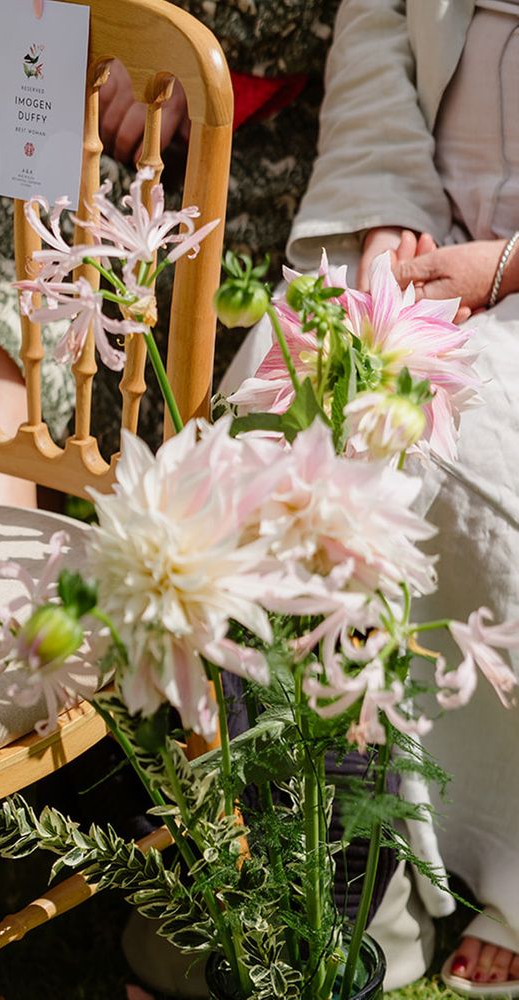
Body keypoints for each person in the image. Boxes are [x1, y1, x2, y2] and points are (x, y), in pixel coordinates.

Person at [225, 0, 519, 992]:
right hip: (425, 233)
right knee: (273, 416)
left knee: (457, 459)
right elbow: (378, 22)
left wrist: (508, 265)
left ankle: (506, 869)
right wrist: (386, 207)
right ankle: (338, 873)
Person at [0, 0, 342, 504]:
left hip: (248, 135)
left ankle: (28, 523)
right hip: (90, 55)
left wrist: (171, 53)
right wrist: (108, 34)